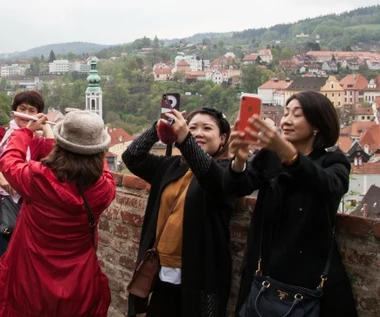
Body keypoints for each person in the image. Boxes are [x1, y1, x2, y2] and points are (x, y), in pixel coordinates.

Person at [226, 91, 358, 317]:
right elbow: (238, 187)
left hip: (307, 279)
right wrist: (238, 160)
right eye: (285, 113)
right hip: (264, 274)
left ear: (316, 124)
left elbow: (330, 186)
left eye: (296, 115)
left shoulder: (333, 161)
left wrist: (288, 153)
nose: (286, 120)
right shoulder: (270, 157)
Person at [0, 110, 116, 317]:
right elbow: (103, 169)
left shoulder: (37, 180)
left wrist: (25, 132)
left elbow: (9, 160)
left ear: (61, 147)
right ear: (98, 151)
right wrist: (90, 141)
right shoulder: (104, 189)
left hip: (30, 276)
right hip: (79, 279)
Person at [123, 107, 236, 317]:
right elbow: (132, 157)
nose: (198, 133)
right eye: (192, 127)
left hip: (200, 276)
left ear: (222, 139)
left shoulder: (228, 173)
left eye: (207, 128)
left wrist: (186, 139)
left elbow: (210, 178)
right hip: (162, 272)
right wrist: (158, 128)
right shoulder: (172, 166)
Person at [0, 90, 55, 254]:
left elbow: (52, 160)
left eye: (32, 110)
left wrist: (46, 128)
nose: (25, 114)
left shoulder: (36, 141)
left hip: (23, 203)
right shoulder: (3, 134)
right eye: (22, 109)